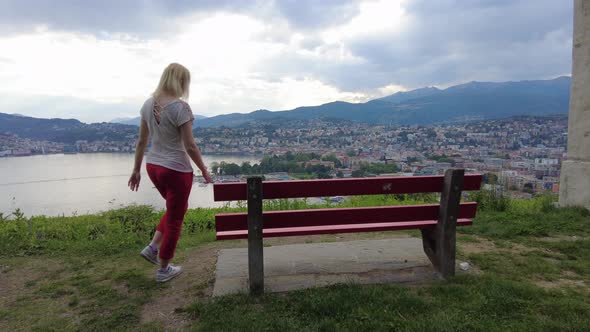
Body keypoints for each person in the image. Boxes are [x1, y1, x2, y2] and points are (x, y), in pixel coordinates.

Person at [128, 63, 212, 283]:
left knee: (175, 209)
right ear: (182, 81)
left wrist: (136, 170)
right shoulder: (181, 108)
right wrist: (203, 169)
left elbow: (141, 141)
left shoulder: (147, 105)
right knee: (176, 218)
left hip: (153, 167)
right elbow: (190, 146)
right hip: (176, 170)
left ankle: (153, 247)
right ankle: (164, 269)